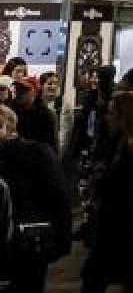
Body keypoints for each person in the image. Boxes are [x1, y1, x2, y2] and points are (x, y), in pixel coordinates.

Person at [80, 90, 133, 293]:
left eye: (112, 113)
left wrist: (100, 183)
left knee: (97, 278)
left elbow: (124, 194)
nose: (107, 118)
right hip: (120, 232)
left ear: (126, 117)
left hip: (122, 232)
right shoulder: (123, 146)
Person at [0, 103, 72, 292]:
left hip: (28, 242)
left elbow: (59, 196)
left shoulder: (38, 152)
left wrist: (62, 239)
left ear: (10, 127)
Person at [13, 75, 58, 150]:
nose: (19, 92)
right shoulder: (12, 108)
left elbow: (51, 145)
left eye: (25, 89)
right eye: (17, 89)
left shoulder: (45, 115)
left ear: (35, 92)